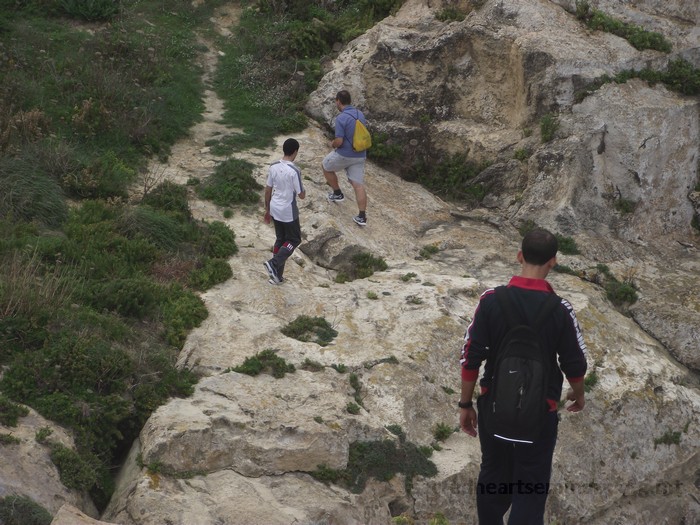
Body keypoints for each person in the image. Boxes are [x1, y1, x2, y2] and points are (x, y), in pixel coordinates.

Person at [458, 228, 588, 524]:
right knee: (530, 488)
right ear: (553, 261)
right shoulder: (561, 309)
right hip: (540, 413)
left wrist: (465, 405)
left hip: (494, 409)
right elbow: (575, 364)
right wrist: (578, 394)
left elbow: (470, 357)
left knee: (493, 475)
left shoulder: (491, 300)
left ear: (519, 256)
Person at [322, 89, 369, 227]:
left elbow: (339, 141)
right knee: (358, 185)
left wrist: (332, 144)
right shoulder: (360, 114)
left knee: (325, 165)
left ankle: (337, 193)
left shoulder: (341, 118)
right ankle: (362, 216)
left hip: (345, 154)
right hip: (360, 154)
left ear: (338, 101)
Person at [263, 138, 305, 285]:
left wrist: (267, 209)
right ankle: (274, 263)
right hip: (288, 211)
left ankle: (276, 277)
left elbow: (268, 190)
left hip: (274, 207)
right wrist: (302, 190)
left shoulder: (273, 166)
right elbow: (301, 195)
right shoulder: (294, 170)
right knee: (294, 240)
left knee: (281, 240)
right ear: (295, 152)